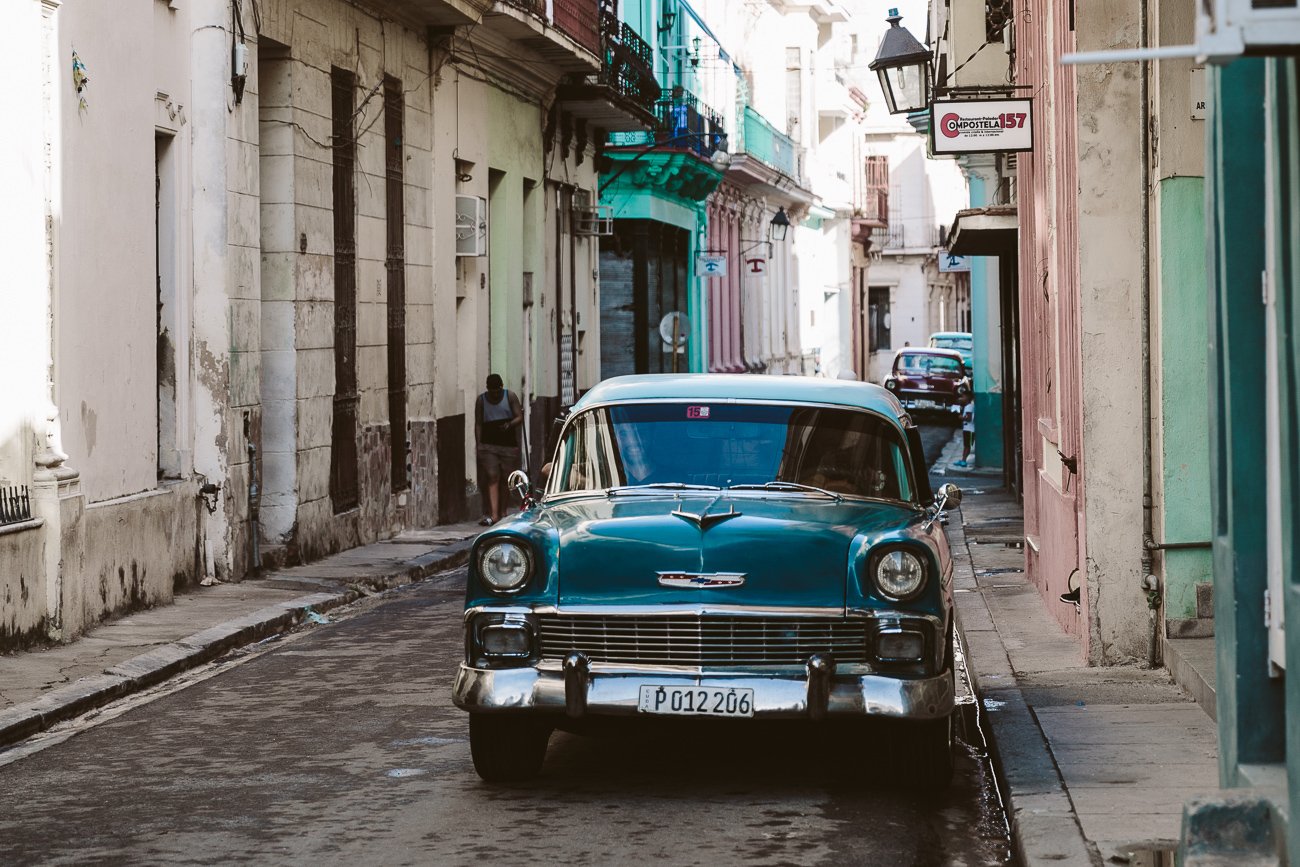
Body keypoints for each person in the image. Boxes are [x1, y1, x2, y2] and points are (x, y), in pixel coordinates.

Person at [475, 373, 524, 525]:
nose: (495, 394)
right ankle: (494, 514)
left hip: (508, 444)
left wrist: (509, 424)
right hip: (489, 445)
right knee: (492, 475)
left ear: (501, 388)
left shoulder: (510, 397)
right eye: (492, 391)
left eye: (497, 391)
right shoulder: (481, 401)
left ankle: (503, 511)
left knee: (505, 478)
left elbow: (519, 416)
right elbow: (478, 423)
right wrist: (479, 444)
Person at [955, 395, 975, 467]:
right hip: (967, 429)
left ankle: (964, 460)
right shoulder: (967, 406)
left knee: (967, 446)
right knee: (966, 445)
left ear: (967, 398)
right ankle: (963, 459)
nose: (961, 398)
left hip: (970, 430)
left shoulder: (969, 406)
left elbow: (969, 419)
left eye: (963, 397)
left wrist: (961, 418)